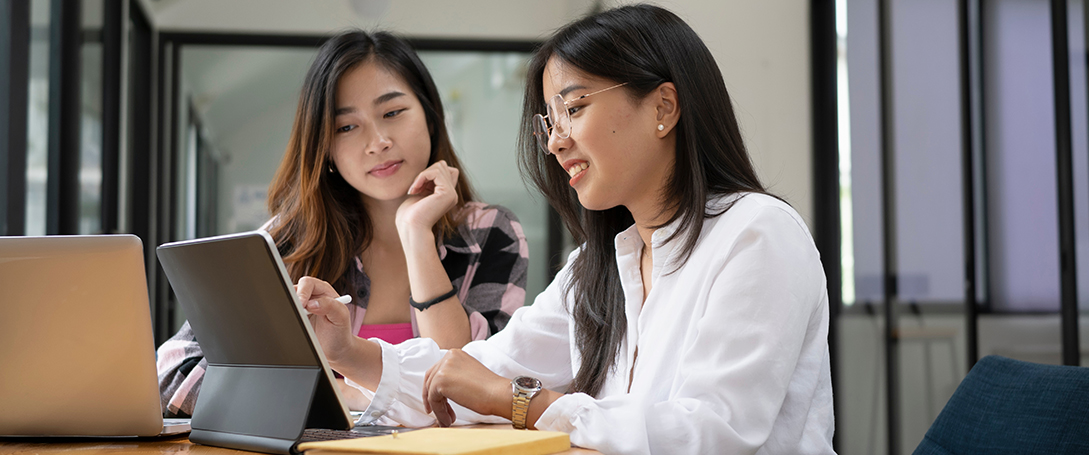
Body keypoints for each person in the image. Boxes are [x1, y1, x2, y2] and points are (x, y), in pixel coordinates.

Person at [298, 5, 834, 454]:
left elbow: (713, 433)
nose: (555, 142)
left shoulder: (756, 234)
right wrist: (346, 350)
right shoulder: (599, 263)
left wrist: (523, 402)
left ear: (664, 108)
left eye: (574, 108)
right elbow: (472, 373)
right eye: (549, 122)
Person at [156, 31, 529, 417]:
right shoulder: (289, 240)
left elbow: (477, 387)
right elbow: (172, 374)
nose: (378, 141)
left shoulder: (492, 233)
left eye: (392, 113)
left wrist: (416, 234)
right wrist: (342, 396)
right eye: (346, 127)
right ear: (326, 149)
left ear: (431, 118)